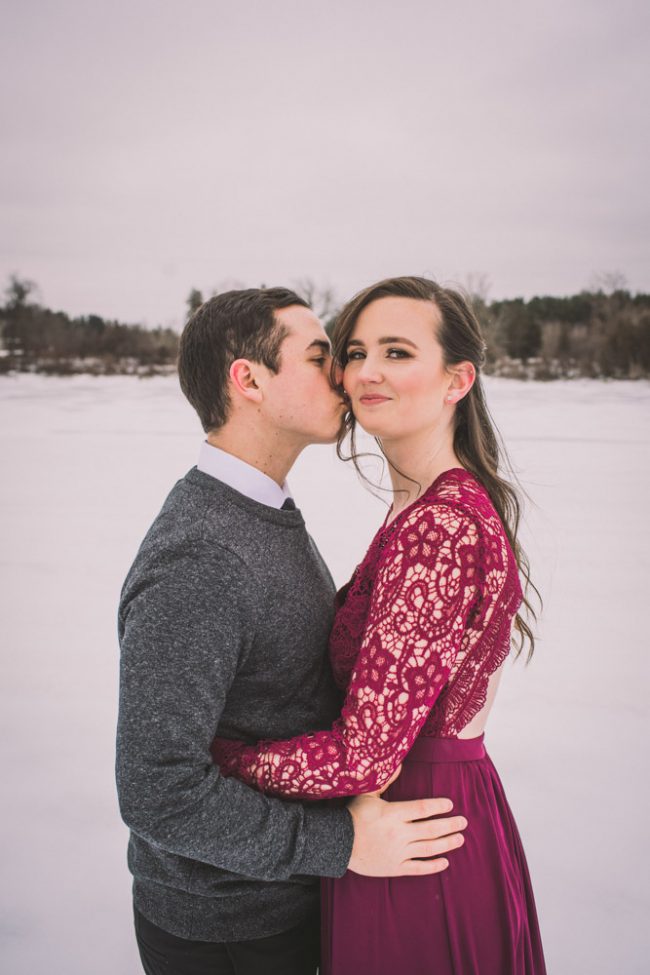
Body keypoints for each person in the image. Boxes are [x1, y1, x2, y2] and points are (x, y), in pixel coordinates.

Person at [116, 287, 467, 975]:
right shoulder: (200, 557)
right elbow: (157, 789)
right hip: (229, 931)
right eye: (319, 357)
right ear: (247, 380)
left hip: (283, 906)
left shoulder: (261, 512)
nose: (343, 374)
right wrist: (338, 843)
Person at [211, 277, 547, 974]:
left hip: (414, 835)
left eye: (397, 352)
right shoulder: (424, 504)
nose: (365, 371)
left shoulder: (440, 528)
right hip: (405, 821)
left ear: (458, 378)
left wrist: (219, 758)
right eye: (355, 351)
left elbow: (365, 756)